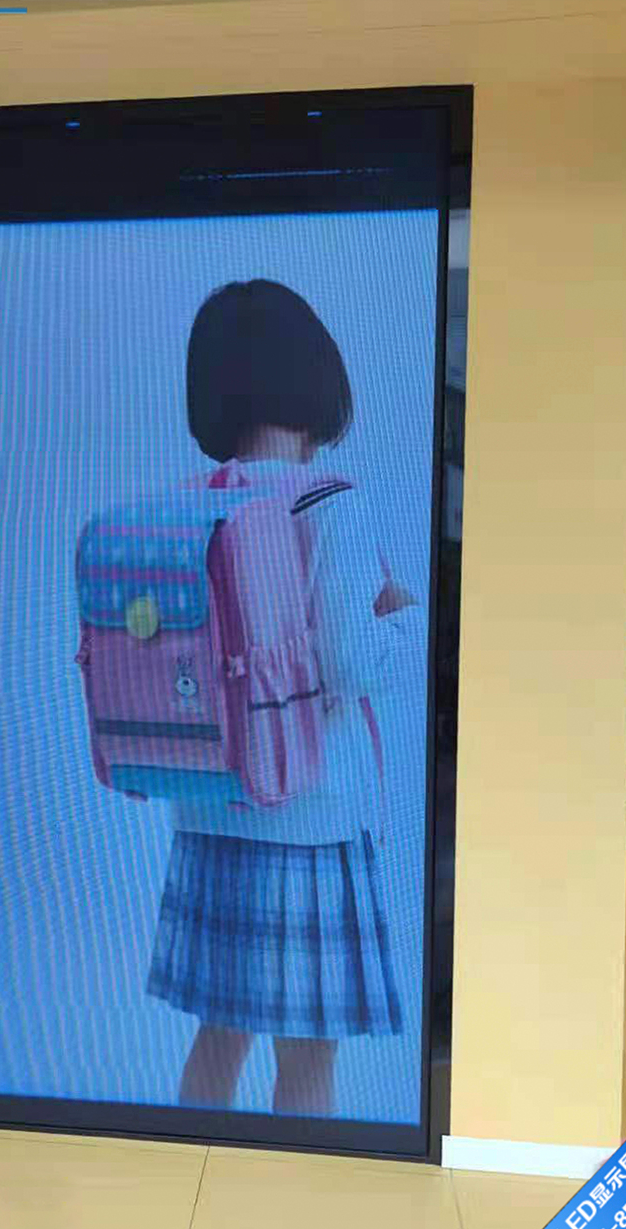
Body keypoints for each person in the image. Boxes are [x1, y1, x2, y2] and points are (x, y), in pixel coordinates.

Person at [146, 279, 412, 1117]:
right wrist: (405, 618)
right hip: (308, 818)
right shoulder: (328, 502)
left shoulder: (190, 505)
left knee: (218, 1035)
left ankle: (195, 1178)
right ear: (314, 381)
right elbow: (351, 663)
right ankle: (294, 1192)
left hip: (209, 811)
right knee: (308, 1054)